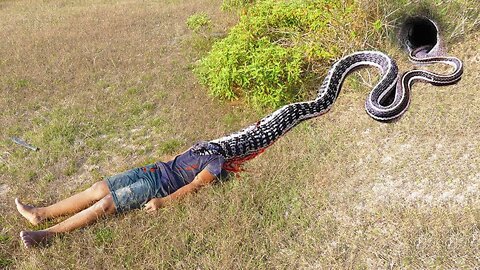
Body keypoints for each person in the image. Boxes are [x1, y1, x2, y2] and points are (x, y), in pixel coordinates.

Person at [15, 141, 227, 248]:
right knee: (98, 188)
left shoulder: (217, 162)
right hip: (151, 170)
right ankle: (40, 214)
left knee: (107, 203)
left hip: (161, 185)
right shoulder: (205, 144)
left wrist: (164, 201)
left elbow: (196, 185)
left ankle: (49, 234)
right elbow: (175, 158)